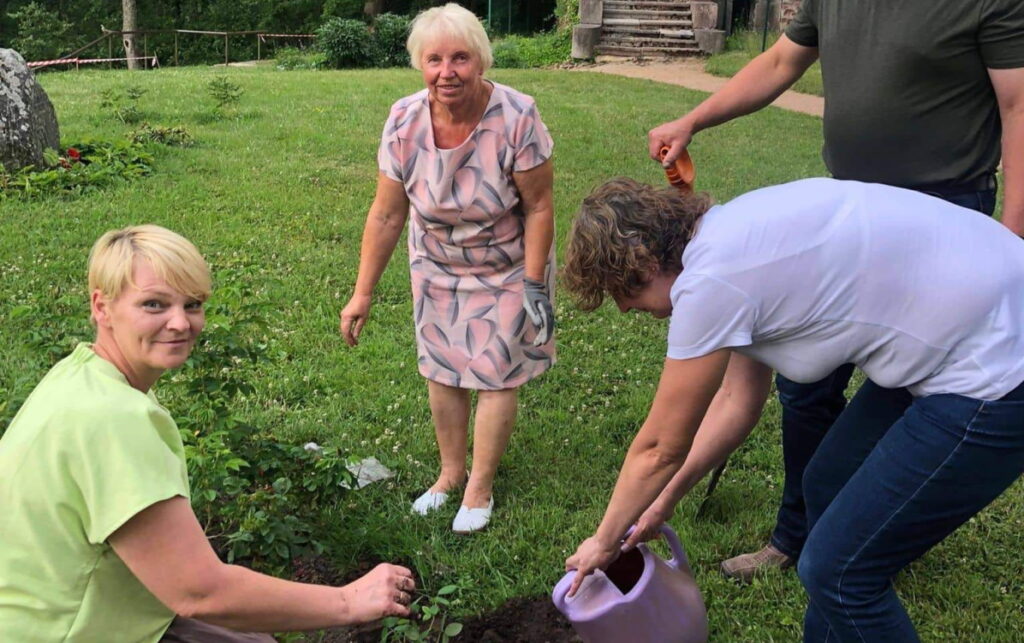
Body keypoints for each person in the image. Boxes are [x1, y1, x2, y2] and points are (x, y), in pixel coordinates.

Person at [647, 0, 1024, 580]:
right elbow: (777, 63)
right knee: (806, 391)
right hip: (847, 215)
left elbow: (1017, 103)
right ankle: (799, 540)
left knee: (913, 386)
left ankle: (865, 542)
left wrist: (1012, 239)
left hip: (945, 216)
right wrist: (694, 118)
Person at [561, 177, 1024, 641]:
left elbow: (660, 446)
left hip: (997, 360)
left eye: (622, 294)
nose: (623, 310)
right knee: (827, 481)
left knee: (838, 572)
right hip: (967, 321)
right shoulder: (730, 241)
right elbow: (735, 400)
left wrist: (603, 542)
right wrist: (659, 504)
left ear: (642, 262)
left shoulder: (712, 282)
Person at [0, 225, 415, 642]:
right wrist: (348, 601)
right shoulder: (115, 417)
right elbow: (199, 592)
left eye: (192, 304)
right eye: (154, 304)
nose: (180, 323)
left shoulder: (78, 375)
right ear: (102, 307)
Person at [339, 3, 556, 533]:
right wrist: (362, 292)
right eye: (434, 59)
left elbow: (540, 206)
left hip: (507, 264)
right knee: (442, 368)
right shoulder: (404, 118)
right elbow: (388, 212)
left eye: (460, 58)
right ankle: (450, 475)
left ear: (480, 60)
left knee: (497, 371)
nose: (447, 72)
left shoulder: (517, 114)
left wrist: (532, 283)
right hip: (436, 263)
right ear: (419, 64)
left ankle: (480, 488)